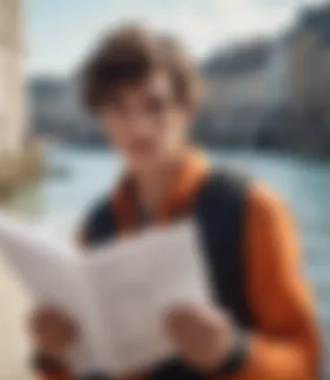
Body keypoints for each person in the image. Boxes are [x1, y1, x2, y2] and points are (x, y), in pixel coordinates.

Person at [29, 25, 321, 380]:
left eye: (154, 106)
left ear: (186, 109)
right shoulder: (94, 226)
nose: (137, 126)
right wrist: (53, 356)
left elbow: (306, 362)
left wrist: (233, 352)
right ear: (102, 119)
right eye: (118, 109)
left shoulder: (254, 210)